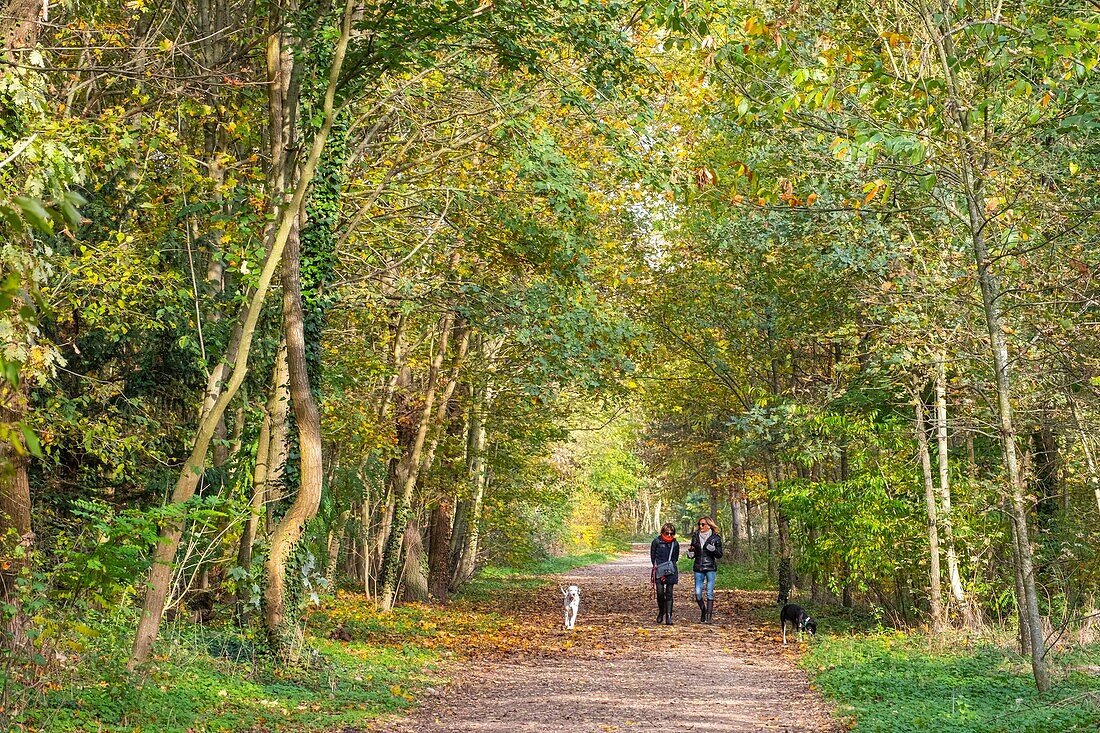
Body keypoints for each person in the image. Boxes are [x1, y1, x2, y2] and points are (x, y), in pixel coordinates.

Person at [687, 516, 723, 623]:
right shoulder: (695, 537)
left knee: (709, 592)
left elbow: (719, 555)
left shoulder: (715, 538)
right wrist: (690, 554)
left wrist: (713, 550)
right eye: (699, 524)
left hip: (710, 568)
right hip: (698, 567)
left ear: (709, 525)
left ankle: (709, 617)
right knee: (698, 593)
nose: (701, 526)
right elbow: (692, 551)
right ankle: (703, 610)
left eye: (703, 524)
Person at [650, 522, 679, 625]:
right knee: (660, 593)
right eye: (667, 533)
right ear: (663, 532)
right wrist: (658, 568)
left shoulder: (675, 543)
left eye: (672, 533)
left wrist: (669, 567)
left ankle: (669, 616)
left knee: (669, 593)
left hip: (671, 570)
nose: (669, 535)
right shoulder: (656, 541)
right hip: (659, 570)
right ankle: (661, 611)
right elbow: (653, 557)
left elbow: (676, 557)